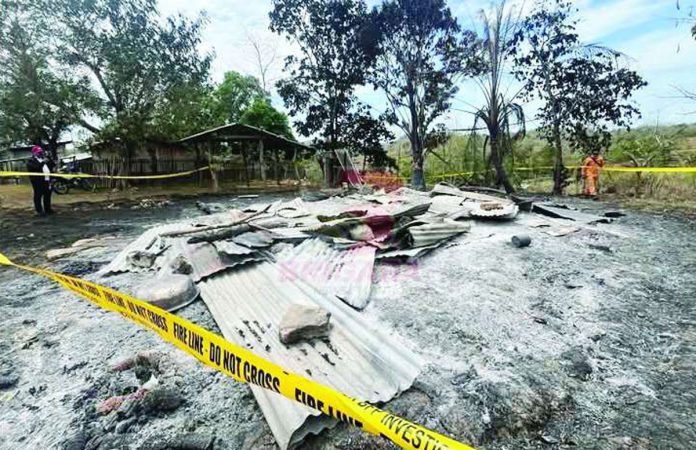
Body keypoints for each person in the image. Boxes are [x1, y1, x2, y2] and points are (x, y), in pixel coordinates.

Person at [26, 145, 55, 216]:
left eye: (41, 152)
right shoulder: (31, 161)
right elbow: (36, 168)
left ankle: (48, 209)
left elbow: (53, 165)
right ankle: (39, 211)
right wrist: (43, 163)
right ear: (34, 153)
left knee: (47, 195)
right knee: (38, 195)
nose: (40, 153)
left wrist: (49, 158)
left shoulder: (44, 159)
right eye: (39, 152)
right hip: (37, 181)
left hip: (47, 180)